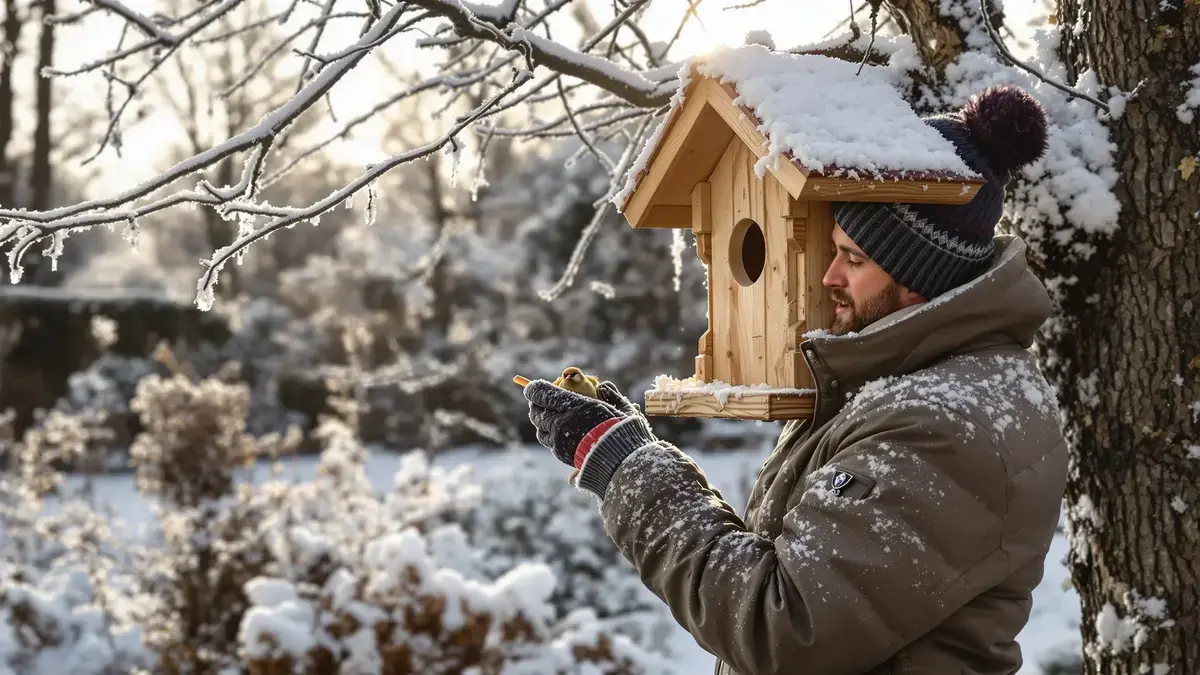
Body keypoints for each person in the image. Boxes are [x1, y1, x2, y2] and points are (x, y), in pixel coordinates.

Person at [523, 84, 1069, 675]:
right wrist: (633, 451)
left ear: (920, 276)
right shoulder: (912, 386)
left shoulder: (940, 424)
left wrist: (627, 469)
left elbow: (784, 627)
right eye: (834, 250)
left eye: (854, 259)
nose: (830, 276)